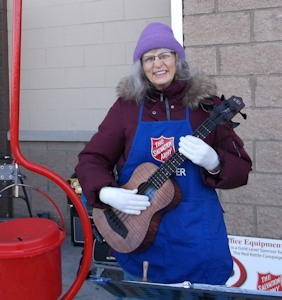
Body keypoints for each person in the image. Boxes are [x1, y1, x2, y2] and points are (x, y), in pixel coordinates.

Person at [75, 22, 252, 285]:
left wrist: (215, 162)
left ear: (177, 60)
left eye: (164, 55)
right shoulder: (127, 108)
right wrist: (105, 193)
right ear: (141, 66)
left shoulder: (206, 106)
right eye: (149, 58)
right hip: (137, 235)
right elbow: (92, 159)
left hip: (197, 237)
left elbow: (241, 169)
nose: (157, 64)